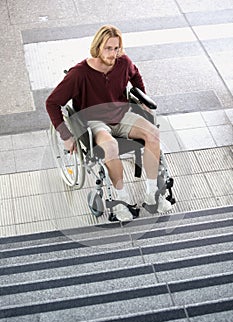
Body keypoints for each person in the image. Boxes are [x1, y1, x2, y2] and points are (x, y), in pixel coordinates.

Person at [46, 24, 172, 221]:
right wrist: (66, 136)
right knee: (111, 146)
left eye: (116, 48)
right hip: (95, 122)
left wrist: (142, 99)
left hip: (122, 115)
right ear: (98, 46)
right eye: (108, 48)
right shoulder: (79, 73)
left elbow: (135, 75)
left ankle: (152, 194)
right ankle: (122, 201)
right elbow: (52, 102)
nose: (113, 54)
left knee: (153, 134)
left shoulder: (123, 62)